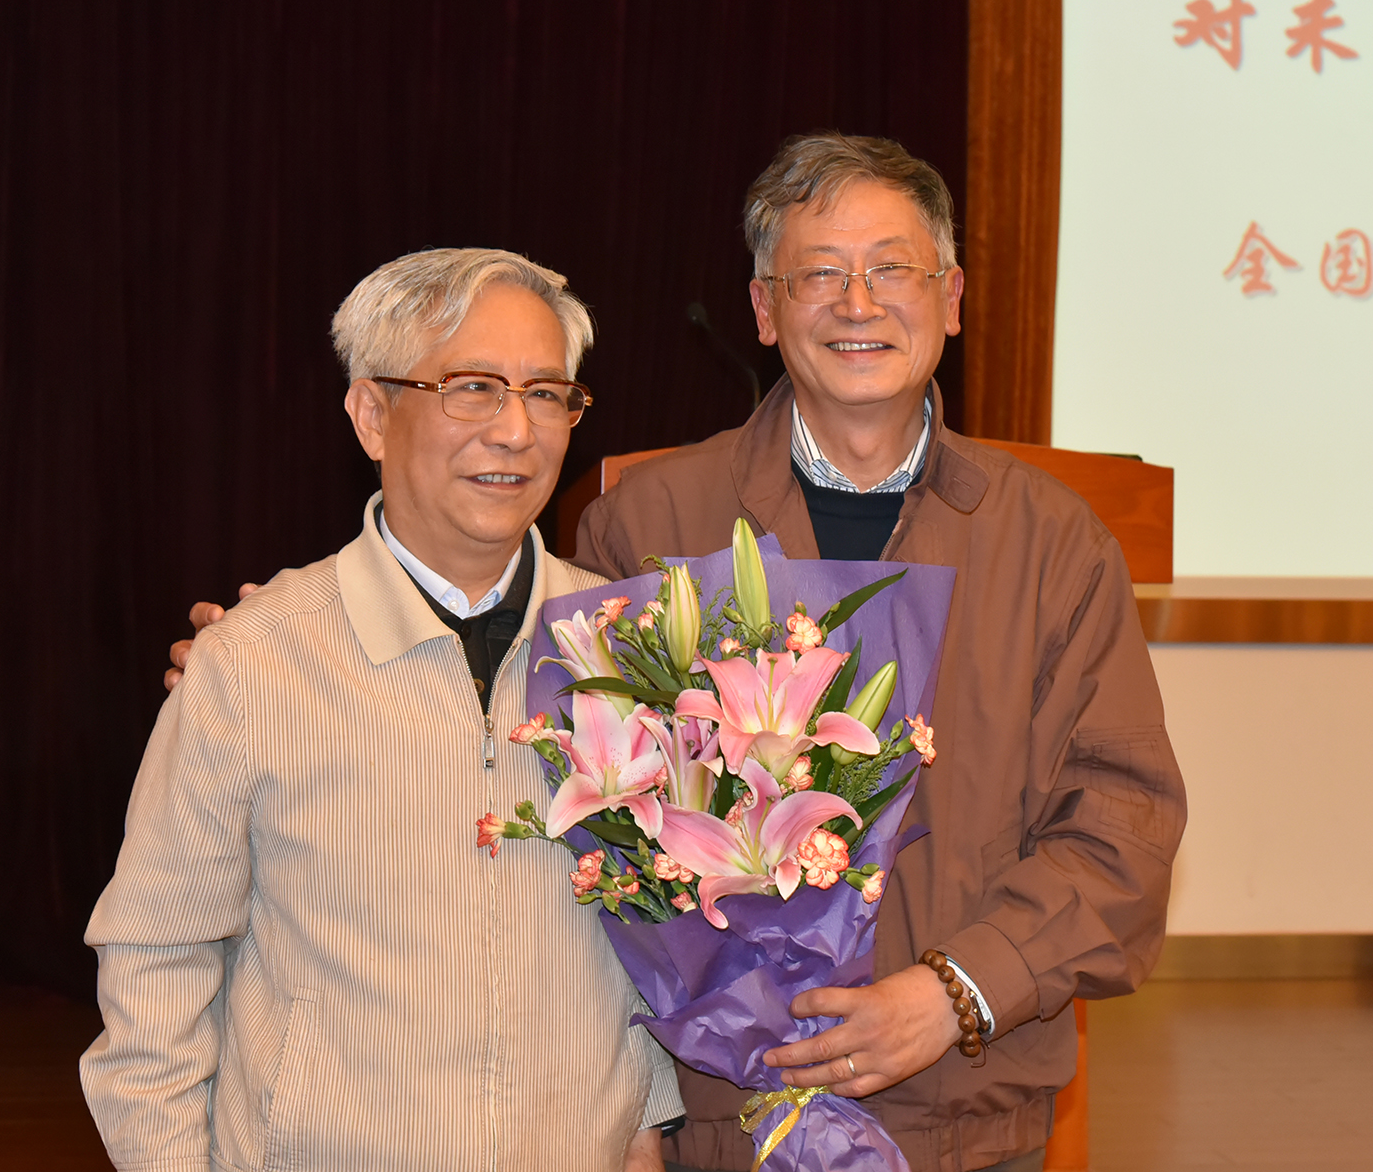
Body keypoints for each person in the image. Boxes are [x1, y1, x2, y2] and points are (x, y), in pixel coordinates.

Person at [570, 134, 1187, 1172]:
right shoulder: (651, 525)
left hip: (970, 1119)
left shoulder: (1050, 542)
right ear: (764, 310)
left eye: (892, 268)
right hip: (727, 1122)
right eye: (819, 274)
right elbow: (590, 846)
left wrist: (954, 992)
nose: (858, 303)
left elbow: (1123, 826)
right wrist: (632, 1101)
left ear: (951, 297)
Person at [85, 248, 681, 1171]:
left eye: (546, 393)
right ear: (371, 414)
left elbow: (658, 934)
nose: (516, 431)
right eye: (473, 388)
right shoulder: (254, 662)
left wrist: (648, 1114)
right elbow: (155, 964)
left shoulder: (622, 648)